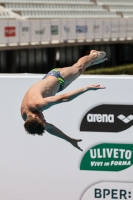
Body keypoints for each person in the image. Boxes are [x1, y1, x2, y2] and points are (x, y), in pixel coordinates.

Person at [20, 50, 107, 151]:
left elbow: (63, 98)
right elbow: (50, 128)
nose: (44, 119)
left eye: (43, 119)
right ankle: (89, 62)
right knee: (79, 71)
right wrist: (69, 140)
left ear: (35, 117)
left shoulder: (38, 105)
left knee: (78, 68)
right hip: (58, 87)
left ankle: (93, 55)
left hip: (58, 76)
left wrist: (86, 88)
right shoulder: (27, 118)